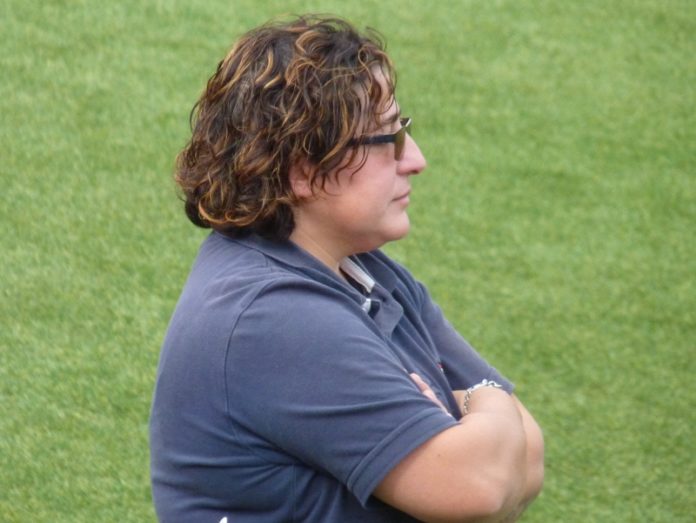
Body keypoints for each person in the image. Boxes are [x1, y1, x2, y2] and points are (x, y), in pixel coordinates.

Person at [149, 15, 544, 523]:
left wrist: (474, 420)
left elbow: (528, 460)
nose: (416, 159)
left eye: (404, 129)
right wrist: (487, 401)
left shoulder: (363, 271)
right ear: (304, 172)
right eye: (388, 139)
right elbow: (479, 488)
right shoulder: (271, 318)